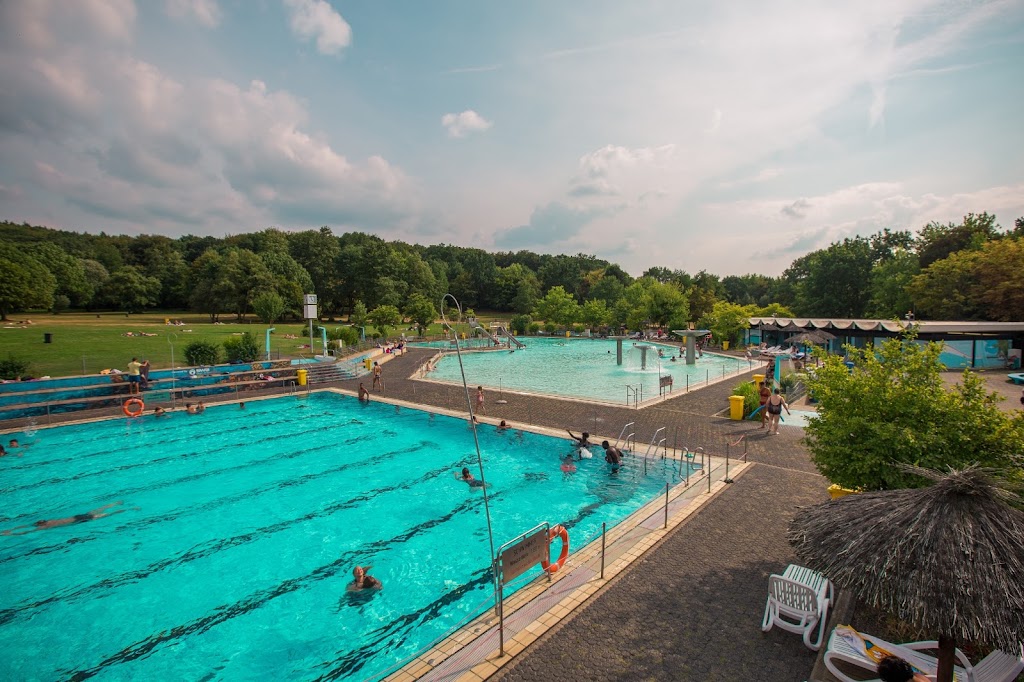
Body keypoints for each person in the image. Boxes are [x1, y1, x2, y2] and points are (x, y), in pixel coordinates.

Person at [2, 501, 128, 535]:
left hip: (79, 519)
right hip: (77, 517)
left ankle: (122, 507)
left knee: (107, 513)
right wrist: (9, 531)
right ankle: (118, 505)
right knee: (103, 509)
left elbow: (26, 530)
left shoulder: (45, 526)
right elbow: (26, 528)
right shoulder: (48, 523)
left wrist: (9, 532)